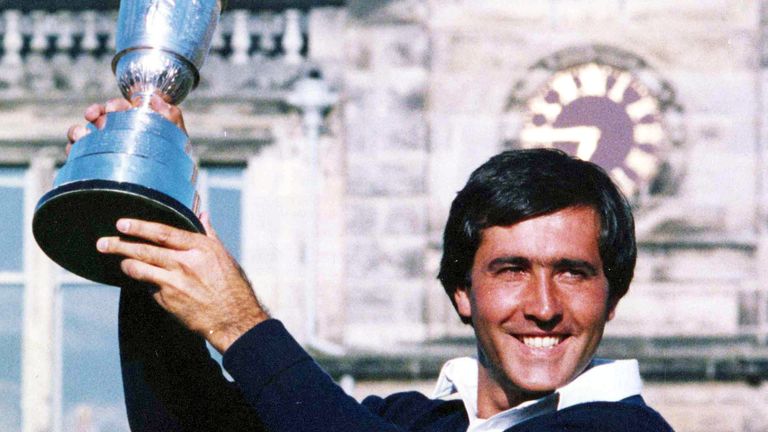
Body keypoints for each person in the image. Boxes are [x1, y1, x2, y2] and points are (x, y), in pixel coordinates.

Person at [67, 97, 675, 432]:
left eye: (572, 272)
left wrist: (239, 326)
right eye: (511, 270)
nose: (544, 307)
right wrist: (147, 203)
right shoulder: (409, 421)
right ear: (463, 292)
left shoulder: (624, 431)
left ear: (612, 296)